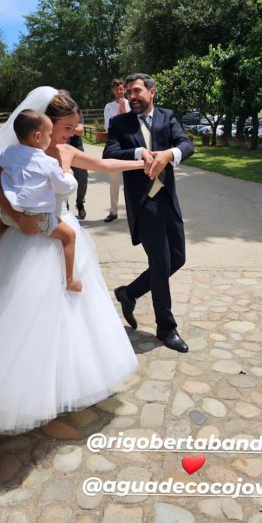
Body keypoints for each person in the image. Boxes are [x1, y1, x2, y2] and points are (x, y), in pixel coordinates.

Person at [0, 87, 143, 441]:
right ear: (45, 124)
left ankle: (61, 384)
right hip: (27, 240)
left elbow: (106, 164)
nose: (71, 135)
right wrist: (17, 216)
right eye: (66, 128)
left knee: (68, 313)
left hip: (59, 234)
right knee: (21, 315)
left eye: (72, 129)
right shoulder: (21, 153)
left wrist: (143, 161)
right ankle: (16, 393)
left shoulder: (63, 151)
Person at [103, 73, 194, 353]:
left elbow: (187, 145)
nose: (132, 96)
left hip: (168, 200)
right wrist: (139, 152)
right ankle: (166, 327)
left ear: (152, 92)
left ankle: (128, 293)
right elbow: (110, 153)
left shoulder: (167, 117)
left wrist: (169, 154)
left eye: (137, 91)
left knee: (176, 259)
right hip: (145, 204)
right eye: (129, 92)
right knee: (160, 261)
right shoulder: (120, 123)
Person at [0, 109, 82, 292]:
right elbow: (63, 187)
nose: (50, 137)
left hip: (9, 215)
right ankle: (70, 280)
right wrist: (68, 176)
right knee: (69, 236)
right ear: (38, 136)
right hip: (38, 217)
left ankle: (5, 261)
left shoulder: (7, 153)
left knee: (4, 227)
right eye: (48, 134)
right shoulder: (47, 162)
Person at [103, 78, 130, 222]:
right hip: (115, 146)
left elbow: (132, 124)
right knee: (114, 181)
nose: (119, 92)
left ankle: (134, 210)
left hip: (129, 146)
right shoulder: (108, 106)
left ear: (125, 90)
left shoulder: (132, 104)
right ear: (113, 91)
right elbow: (108, 127)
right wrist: (119, 113)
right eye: (116, 89)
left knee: (131, 180)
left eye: (121, 89)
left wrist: (124, 110)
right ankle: (113, 211)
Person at [68, 111, 88, 220]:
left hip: (77, 149)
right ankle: (64, 206)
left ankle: (80, 203)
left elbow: (80, 131)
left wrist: (63, 127)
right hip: (59, 148)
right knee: (61, 177)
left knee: (82, 178)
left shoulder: (76, 113)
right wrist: (72, 128)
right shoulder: (54, 113)